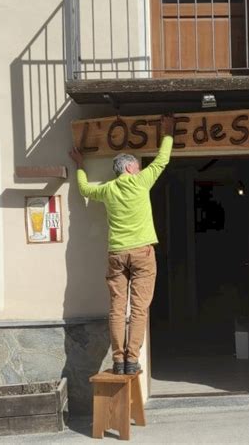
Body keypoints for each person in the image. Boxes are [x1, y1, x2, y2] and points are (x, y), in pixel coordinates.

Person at [69, 114, 175, 374]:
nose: (139, 168)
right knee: (139, 309)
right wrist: (168, 133)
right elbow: (163, 159)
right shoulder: (140, 182)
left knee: (117, 309)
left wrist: (80, 165)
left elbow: (84, 190)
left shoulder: (107, 190)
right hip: (142, 252)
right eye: (137, 165)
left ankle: (118, 360)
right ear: (129, 168)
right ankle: (132, 360)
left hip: (117, 253)